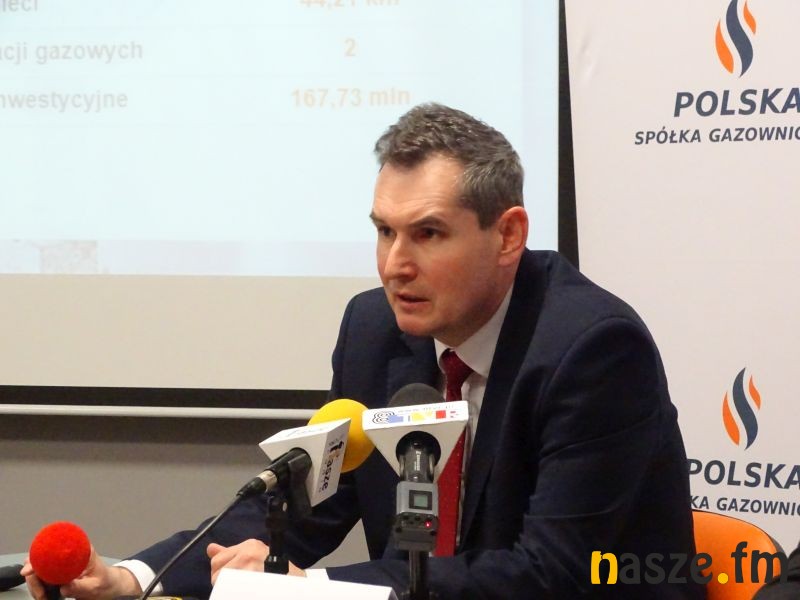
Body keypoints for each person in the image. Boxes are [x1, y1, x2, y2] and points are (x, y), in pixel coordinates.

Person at [23, 103, 704, 599]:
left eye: (428, 234)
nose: (394, 265)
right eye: (384, 231)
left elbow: (550, 573)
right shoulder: (375, 328)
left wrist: (314, 589)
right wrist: (135, 576)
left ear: (507, 235)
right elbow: (305, 503)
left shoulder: (591, 350)